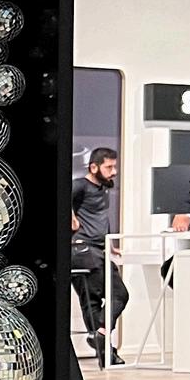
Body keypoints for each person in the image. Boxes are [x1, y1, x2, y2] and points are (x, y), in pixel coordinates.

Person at [71, 145, 126, 365]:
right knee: (111, 296)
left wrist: (110, 244)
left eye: (115, 167)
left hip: (97, 249)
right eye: (109, 167)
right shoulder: (80, 186)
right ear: (94, 167)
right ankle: (104, 343)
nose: (114, 172)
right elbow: (61, 198)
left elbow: (101, 218)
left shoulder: (103, 189)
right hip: (83, 250)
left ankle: (102, 342)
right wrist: (70, 218)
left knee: (103, 299)